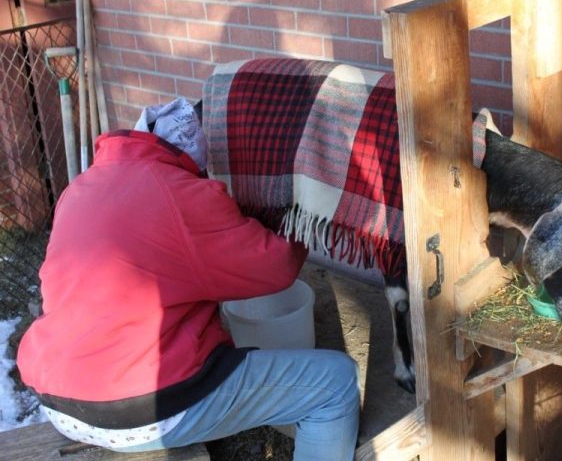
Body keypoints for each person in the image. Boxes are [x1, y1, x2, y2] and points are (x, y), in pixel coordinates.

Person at [16, 98, 360, 460]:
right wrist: (305, 217)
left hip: (57, 398)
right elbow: (276, 268)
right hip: (142, 408)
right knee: (334, 384)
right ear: (194, 159)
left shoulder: (81, 187)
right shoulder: (182, 192)